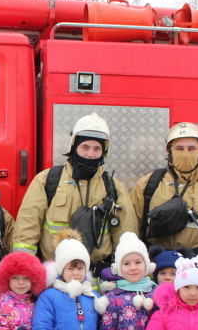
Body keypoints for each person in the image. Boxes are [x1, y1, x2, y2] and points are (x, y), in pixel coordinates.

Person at [12, 113, 138, 272]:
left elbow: (125, 236)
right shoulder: (47, 180)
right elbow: (26, 230)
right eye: (85, 147)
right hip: (54, 273)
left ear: (104, 152)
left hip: (97, 277)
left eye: (97, 148)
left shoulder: (114, 187)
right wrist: (22, 270)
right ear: (74, 147)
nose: (90, 154)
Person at [131, 122, 198, 274]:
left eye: (192, 148)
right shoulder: (147, 185)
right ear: (170, 151)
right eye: (179, 148)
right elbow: (131, 228)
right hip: (158, 270)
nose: (186, 153)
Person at [32, 228, 108, 330]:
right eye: (70, 269)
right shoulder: (49, 297)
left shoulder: (94, 296)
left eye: (80, 268)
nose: (76, 273)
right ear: (61, 269)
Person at [99, 232, 158, 330]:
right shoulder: (113, 299)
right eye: (127, 263)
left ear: (147, 265)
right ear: (118, 268)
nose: (133, 268)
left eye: (138, 262)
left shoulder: (155, 295)